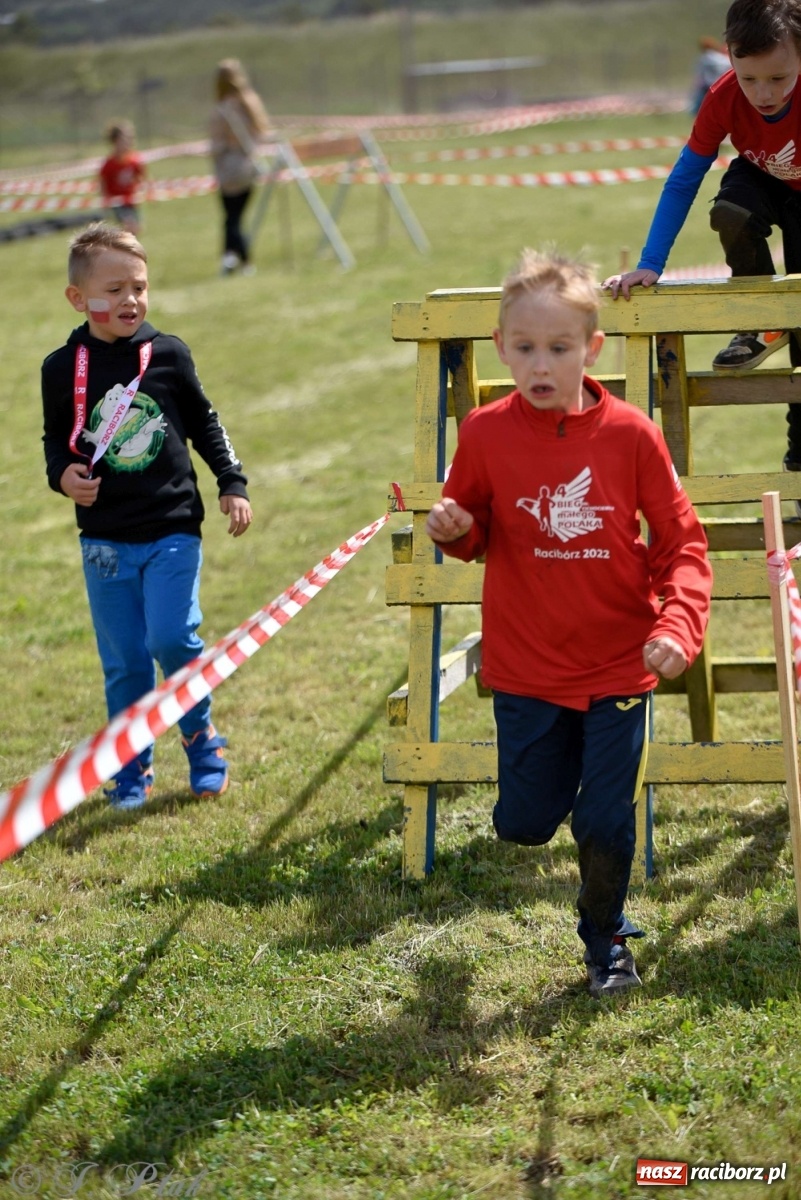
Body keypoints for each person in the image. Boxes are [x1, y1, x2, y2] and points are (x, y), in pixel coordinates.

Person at [426, 248, 712, 998]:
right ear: (501, 347)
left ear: (593, 348)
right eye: (525, 348)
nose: (540, 365)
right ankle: (550, 812)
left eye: (558, 348)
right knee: (523, 823)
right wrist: (455, 528)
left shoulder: (632, 436)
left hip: (619, 661)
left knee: (604, 822)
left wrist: (678, 625)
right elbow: (473, 531)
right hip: (526, 667)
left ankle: (605, 938)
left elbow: (681, 544)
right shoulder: (485, 433)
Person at [41, 222, 253, 810]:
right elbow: (55, 442)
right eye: (115, 290)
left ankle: (200, 737)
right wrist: (63, 477)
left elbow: (206, 423)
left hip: (172, 527)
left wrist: (232, 482)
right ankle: (130, 764)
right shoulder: (60, 368)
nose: (131, 299)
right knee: (126, 661)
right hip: (104, 540)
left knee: (171, 638)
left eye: (139, 287)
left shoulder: (168, 354)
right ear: (78, 299)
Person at [603, 0, 801, 471]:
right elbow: (683, 180)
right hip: (760, 182)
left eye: (778, 78)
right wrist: (651, 262)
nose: (763, 93)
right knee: (731, 209)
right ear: (729, 57)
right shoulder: (722, 97)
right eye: (749, 78)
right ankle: (759, 321)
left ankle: (799, 468)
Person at [209, 58, 271, 276]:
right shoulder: (251, 102)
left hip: (230, 167)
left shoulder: (222, 109)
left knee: (231, 217)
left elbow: (217, 144)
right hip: (248, 164)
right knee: (235, 216)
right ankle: (233, 259)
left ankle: (241, 260)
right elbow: (261, 133)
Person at [99, 120, 146, 235]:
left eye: (131, 138)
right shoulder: (109, 164)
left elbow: (141, 178)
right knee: (129, 228)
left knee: (136, 230)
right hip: (117, 203)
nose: (129, 142)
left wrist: (143, 191)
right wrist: (106, 203)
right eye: (125, 139)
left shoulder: (134, 161)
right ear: (115, 141)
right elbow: (103, 184)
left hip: (131, 202)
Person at [692, 35, 731, 114]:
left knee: (702, 107)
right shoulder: (719, 57)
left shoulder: (705, 58)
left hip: (706, 86)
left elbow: (699, 73)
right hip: (718, 84)